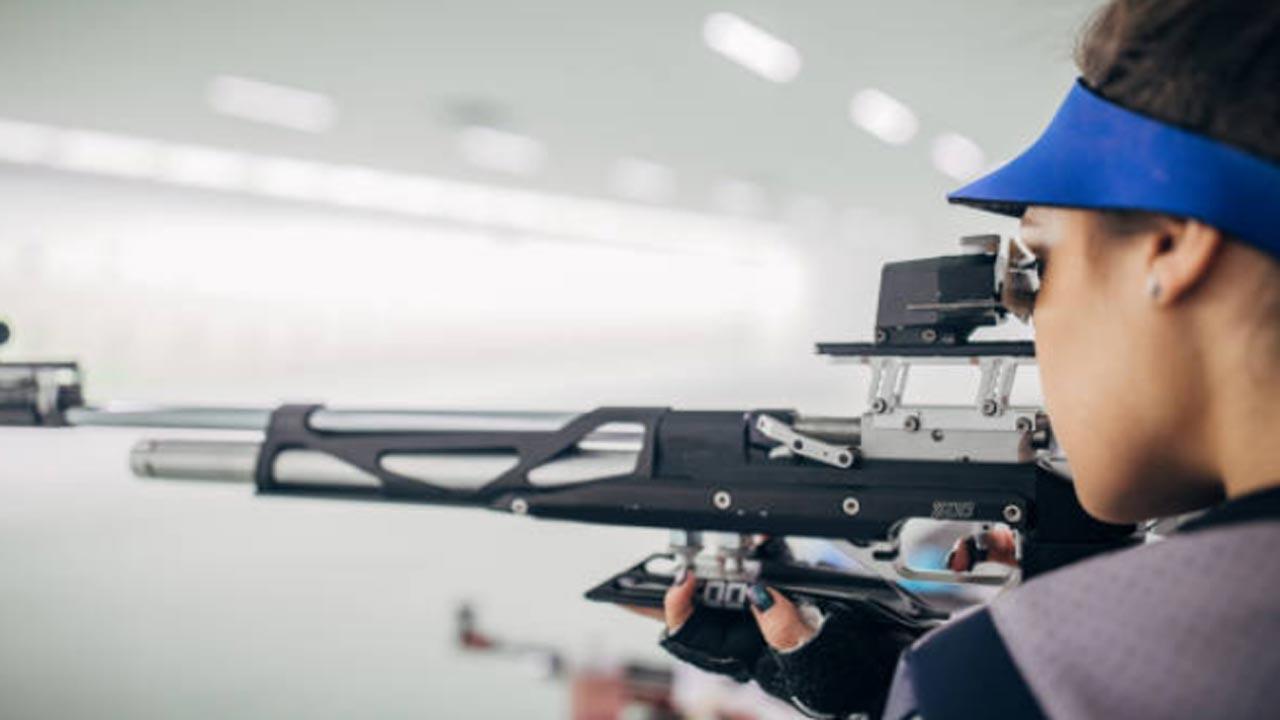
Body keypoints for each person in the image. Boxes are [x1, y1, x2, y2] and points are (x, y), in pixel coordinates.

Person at [634, 1, 1280, 717]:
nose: (1029, 321)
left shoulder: (1047, 675)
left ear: (1169, 242)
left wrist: (950, 687)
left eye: (1033, 270)